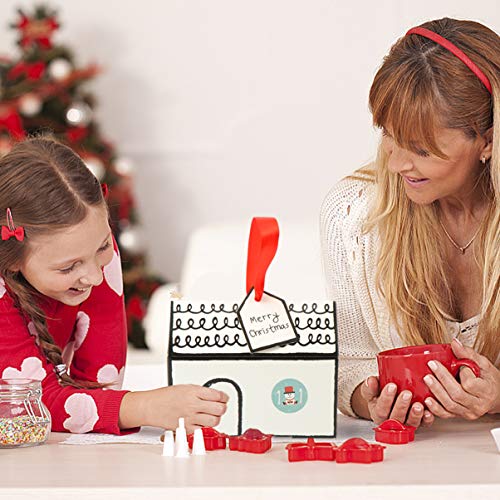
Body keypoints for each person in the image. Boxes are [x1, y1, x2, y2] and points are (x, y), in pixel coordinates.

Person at [320, 18, 499, 428]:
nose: (397, 164)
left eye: (421, 148)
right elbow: (344, 362)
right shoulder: (351, 214)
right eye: (389, 135)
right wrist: (368, 401)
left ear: (488, 141)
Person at [0, 137, 228, 434]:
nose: (95, 277)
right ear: (12, 260)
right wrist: (144, 407)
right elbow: (29, 408)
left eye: (104, 245)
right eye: (69, 267)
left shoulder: (95, 257)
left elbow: (100, 385)